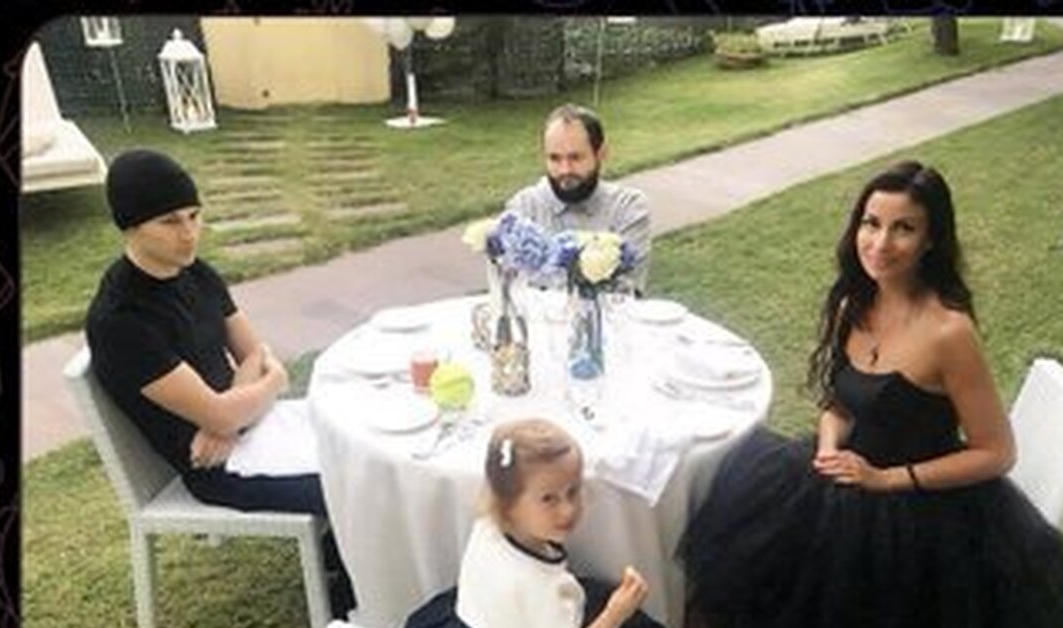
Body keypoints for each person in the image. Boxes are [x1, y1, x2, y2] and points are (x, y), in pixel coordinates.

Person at [677, 161, 1063, 628]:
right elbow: (841, 402)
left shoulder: (949, 332)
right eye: (872, 223)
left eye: (903, 228)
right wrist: (828, 446)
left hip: (918, 508)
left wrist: (886, 479)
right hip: (844, 474)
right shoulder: (853, 303)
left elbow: (997, 453)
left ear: (931, 240)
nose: (881, 243)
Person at [84, 148, 355, 618]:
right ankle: (355, 601)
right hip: (217, 469)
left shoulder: (196, 273)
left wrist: (230, 412)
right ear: (130, 226)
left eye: (194, 215)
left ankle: (344, 557)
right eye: (170, 221)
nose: (189, 233)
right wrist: (259, 391)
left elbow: (251, 355)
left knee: (355, 436)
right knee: (357, 478)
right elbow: (256, 376)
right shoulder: (122, 319)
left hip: (244, 430)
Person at [405, 418, 663, 628]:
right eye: (549, 499)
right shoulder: (539, 589)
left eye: (573, 491)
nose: (568, 510)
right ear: (508, 501)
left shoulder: (490, 522)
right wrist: (616, 613)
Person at [505, 103, 651, 293]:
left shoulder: (628, 207)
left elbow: (627, 292)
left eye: (575, 158)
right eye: (555, 158)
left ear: (601, 154)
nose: (565, 170)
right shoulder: (523, 208)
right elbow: (511, 291)